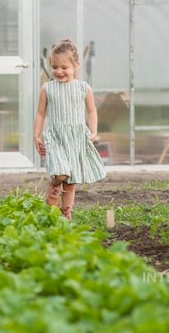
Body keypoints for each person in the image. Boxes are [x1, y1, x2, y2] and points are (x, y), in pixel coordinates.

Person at [33, 38, 106, 220]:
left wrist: (94, 131)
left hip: (76, 138)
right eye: (54, 66)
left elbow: (91, 110)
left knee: (71, 180)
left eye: (64, 67)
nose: (59, 71)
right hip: (56, 137)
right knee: (62, 173)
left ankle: (65, 212)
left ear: (76, 65)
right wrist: (37, 135)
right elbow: (40, 114)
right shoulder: (47, 88)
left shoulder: (83, 88)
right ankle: (54, 186)